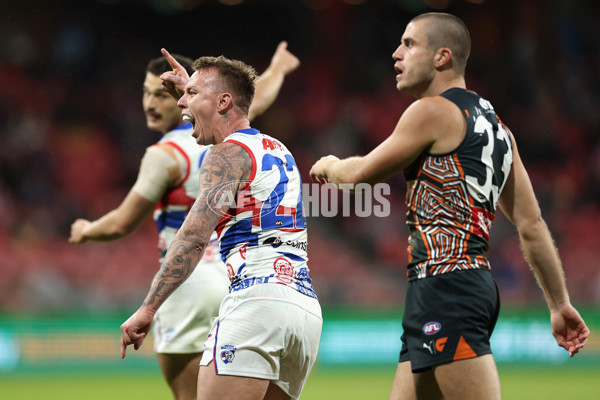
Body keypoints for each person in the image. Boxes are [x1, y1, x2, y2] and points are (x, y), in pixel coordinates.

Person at [309, 12, 589, 400]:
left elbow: (361, 175)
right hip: (459, 285)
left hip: (447, 286)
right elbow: (532, 224)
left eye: (408, 44)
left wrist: (330, 165)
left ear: (442, 57)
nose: (395, 54)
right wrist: (559, 304)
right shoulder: (498, 129)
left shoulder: (432, 111)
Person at [69, 42, 301, 400]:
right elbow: (253, 99)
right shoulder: (240, 140)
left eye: (160, 94)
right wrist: (278, 70)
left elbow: (123, 223)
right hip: (242, 279)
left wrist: (86, 230)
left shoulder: (165, 155)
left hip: (187, 281)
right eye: (146, 94)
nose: (152, 103)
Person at [120, 53, 322, 400]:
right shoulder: (278, 150)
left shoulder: (225, 154)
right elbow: (220, 107)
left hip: (256, 301)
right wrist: (194, 91)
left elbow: (194, 237)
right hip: (303, 310)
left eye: (192, 94)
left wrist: (149, 307)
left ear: (224, 101)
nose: (182, 102)